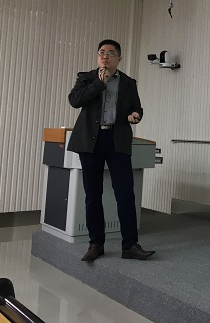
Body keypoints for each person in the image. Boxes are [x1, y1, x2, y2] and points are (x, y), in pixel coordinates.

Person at [68, 39, 155, 262]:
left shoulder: (128, 82)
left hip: (117, 140)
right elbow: (75, 101)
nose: (105, 56)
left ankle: (130, 245)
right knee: (92, 195)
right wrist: (99, 83)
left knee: (125, 194)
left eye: (110, 53)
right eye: (101, 52)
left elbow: (136, 107)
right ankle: (96, 244)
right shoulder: (86, 78)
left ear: (119, 58)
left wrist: (136, 115)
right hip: (91, 141)